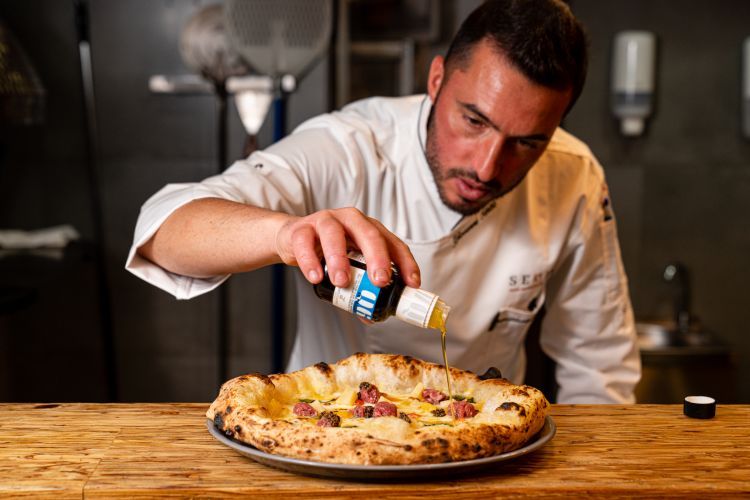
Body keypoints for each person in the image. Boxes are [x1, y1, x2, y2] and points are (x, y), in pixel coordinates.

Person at [126, 0, 641, 403]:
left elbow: (598, 365)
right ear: (436, 80)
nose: (487, 167)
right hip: (326, 435)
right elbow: (164, 229)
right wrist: (286, 234)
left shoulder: (574, 176)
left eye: (528, 142)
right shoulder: (348, 145)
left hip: (482, 446)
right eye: (474, 121)